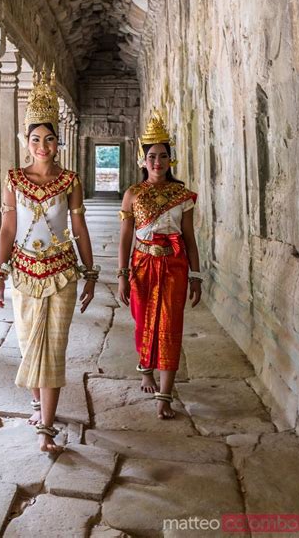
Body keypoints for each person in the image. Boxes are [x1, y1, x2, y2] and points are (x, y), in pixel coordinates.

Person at [0, 67, 98, 453]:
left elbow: (79, 229)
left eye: (49, 139)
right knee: (27, 345)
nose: (43, 146)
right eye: (36, 139)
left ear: (58, 142)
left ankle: (46, 429)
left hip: (62, 274)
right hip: (23, 274)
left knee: (53, 348)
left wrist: (89, 273)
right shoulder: (14, 179)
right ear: (27, 140)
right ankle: (38, 405)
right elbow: (7, 229)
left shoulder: (69, 181)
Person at [117, 110, 202, 419]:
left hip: (174, 266)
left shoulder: (182, 196)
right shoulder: (133, 195)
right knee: (143, 322)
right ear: (143, 161)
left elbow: (190, 239)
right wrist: (122, 275)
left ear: (171, 160)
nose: (157, 162)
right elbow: (125, 238)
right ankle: (145, 370)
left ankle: (165, 395)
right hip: (141, 264)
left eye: (163, 156)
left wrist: (196, 275)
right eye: (151, 156)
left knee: (170, 325)